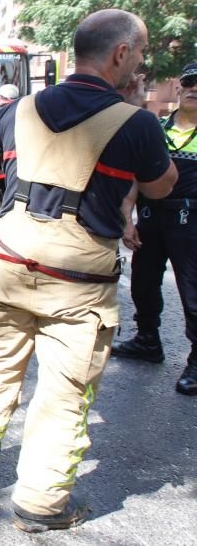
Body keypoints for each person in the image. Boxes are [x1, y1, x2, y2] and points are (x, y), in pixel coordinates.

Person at [0, 9, 177, 533]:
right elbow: (162, 186)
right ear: (121, 54)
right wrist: (134, 110)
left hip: (8, 263)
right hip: (77, 286)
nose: (141, 64)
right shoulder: (137, 123)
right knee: (64, 393)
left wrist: (11, 175)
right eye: (140, 54)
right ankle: (41, 504)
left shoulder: (20, 110)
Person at [112, 61, 197, 396]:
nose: (193, 88)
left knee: (192, 293)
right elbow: (136, 174)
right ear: (178, 88)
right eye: (188, 82)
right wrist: (127, 218)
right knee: (143, 284)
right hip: (151, 217)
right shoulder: (157, 127)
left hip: (191, 221)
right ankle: (148, 340)